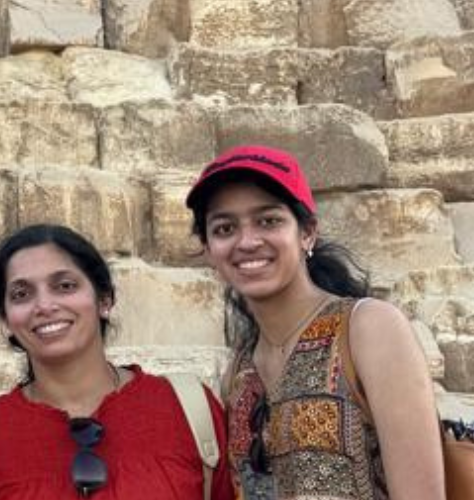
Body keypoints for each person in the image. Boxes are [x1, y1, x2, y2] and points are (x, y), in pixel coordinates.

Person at [186, 145, 444, 498]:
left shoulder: (368, 329)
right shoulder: (238, 373)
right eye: (225, 228)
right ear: (208, 249)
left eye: (268, 220)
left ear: (307, 233)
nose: (246, 241)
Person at [0, 224, 236, 499]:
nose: (44, 305)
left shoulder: (187, 409)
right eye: (21, 294)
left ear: (104, 299)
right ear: (6, 320)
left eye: (65, 286)